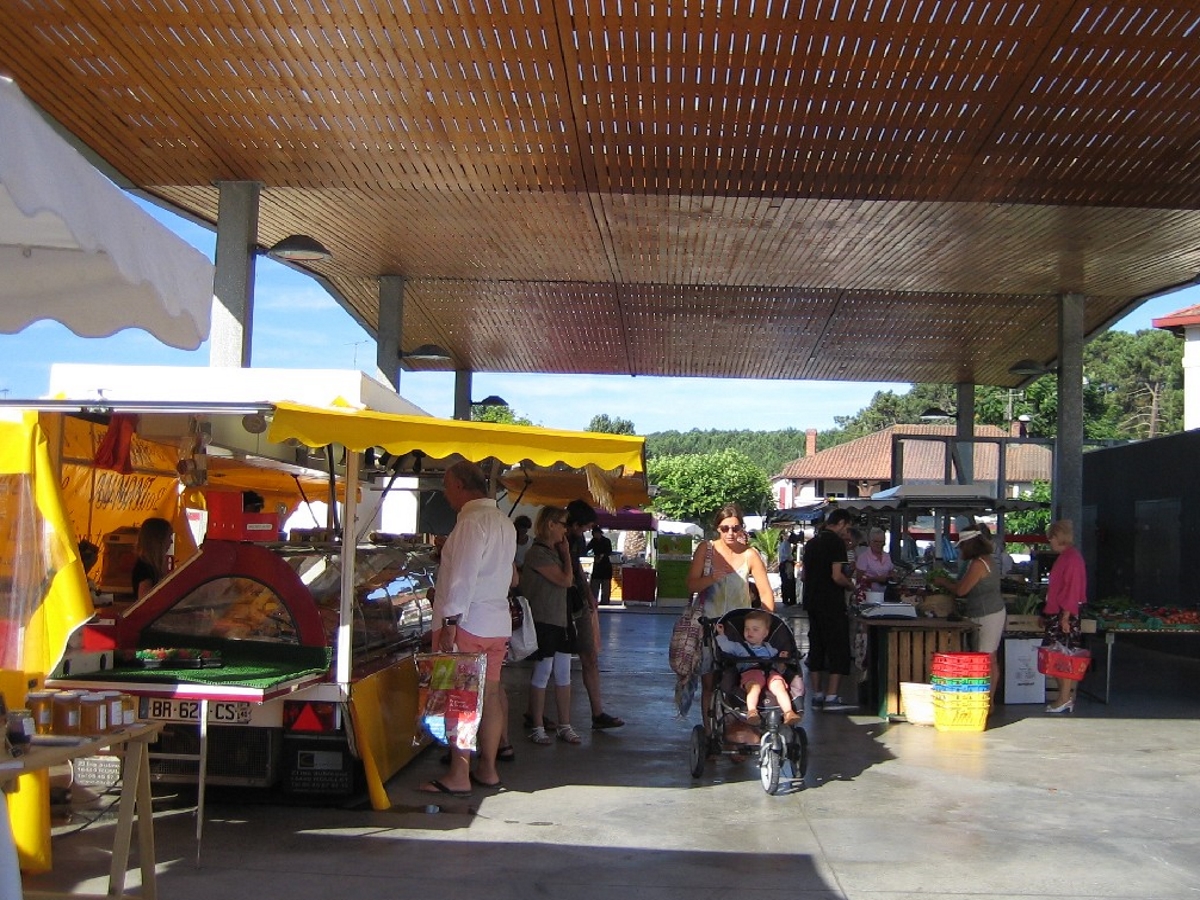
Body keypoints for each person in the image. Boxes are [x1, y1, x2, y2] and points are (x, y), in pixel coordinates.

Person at [419, 461, 516, 797]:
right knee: (488, 697)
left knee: (460, 700)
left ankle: (459, 774)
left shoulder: (471, 523)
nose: (446, 494)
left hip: (467, 624)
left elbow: (463, 579)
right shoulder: (503, 522)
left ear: (460, 484)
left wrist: (449, 622)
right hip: (496, 623)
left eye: (447, 486)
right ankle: (487, 769)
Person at [686, 503, 775, 729]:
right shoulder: (705, 550)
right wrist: (713, 577)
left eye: (735, 528)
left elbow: (765, 592)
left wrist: (765, 624)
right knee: (709, 682)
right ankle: (709, 732)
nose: (730, 533)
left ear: (741, 528)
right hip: (709, 625)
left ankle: (736, 732)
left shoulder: (749, 555)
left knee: (737, 680)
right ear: (718, 528)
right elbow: (691, 584)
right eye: (725, 528)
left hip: (739, 628)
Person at [519, 507, 583, 745]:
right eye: (563, 524)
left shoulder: (550, 552)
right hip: (544, 619)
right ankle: (537, 725)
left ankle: (565, 724)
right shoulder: (539, 554)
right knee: (543, 672)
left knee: (563, 673)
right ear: (550, 525)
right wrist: (567, 554)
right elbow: (566, 580)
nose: (566, 529)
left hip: (560, 619)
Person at [564, 499, 625, 729]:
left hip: (576, 600)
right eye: (586, 526)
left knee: (585, 656)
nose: (589, 531)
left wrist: (588, 593)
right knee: (573, 658)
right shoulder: (563, 540)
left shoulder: (573, 539)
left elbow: (577, 567)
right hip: (568, 602)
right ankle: (592, 713)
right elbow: (573, 569)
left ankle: (596, 712)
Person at [932, 529, 1007, 702]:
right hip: (987, 612)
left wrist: (943, 581)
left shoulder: (979, 563)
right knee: (989, 657)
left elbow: (961, 590)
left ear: (969, 545)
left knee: (987, 658)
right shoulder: (984, 560)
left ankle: (987, 701)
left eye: (961, 547)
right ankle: (986, 699)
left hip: (988, 614)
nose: (960, 551)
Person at [801, 508, 856, 710]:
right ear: (841, 523)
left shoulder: (812, 543)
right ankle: (832, 696)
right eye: (847, 526)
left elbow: (804, 575)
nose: (847, 531)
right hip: (831, 601)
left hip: (812, 601)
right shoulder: (835, 543)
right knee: (837, 647)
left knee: (816, 645)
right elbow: (836, 576)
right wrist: (851, 585)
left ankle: (817, 694)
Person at [715, 610, 801, 726]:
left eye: (755, 629)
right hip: (751, 673)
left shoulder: (771, 649)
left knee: (780, 687)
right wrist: (721, 635)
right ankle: (752, 711)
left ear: (765, 633)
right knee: (753, 688)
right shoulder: (740, 648)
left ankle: (788, 712)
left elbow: (779, 667)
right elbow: (726, 646)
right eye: (747, 629)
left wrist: (782, 659)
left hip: (770, 673)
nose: (749, 632)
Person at [1042, 519, 1087, 714]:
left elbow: (1072, 589)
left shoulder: (1071, 559)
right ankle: (1064, 697)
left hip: (1064, 613)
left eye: (1051, 537)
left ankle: (1064, 697)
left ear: (1058, 537)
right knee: (1056, 655)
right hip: (1058, 612)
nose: (1049, 541)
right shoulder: (1066, 557)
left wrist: (1066, 616)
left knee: (1063, 656)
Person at [132, 517, 173, 600]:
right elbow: (145, 601)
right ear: (159, 540)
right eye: (169, 537)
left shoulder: (150, 566)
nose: (171, 541)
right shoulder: (144, 568)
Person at [855, 527, 894, 592]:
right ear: (870, 542)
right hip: (868, 593)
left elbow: (891, 572)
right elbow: (859, 578)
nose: (878, 544)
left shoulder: (887, 556)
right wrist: (875, 579)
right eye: (875, 541)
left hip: (885, 594)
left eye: (881, 542)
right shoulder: (864, 557)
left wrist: (892, 576)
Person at [587, 525, 614, 606]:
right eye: (594, 534)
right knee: (594, 584)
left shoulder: (606, 541)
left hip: (605, 564)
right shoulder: (593, 541)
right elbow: (587, 548)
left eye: (596, 533)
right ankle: (593, 600)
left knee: (606, 585)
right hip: (597, 564)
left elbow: (609, 551)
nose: (595, 535)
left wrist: (602, 555)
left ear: (600, 533)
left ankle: (605, 601)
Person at [777, 530, 797, 606]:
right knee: (789, 582)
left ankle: (786, 599)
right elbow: (788, 556)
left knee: (785, 582)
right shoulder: (787, 544)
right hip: (787, 564)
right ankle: (790, 600)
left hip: (783, 564)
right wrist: (792, 560)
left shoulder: (783, 544)